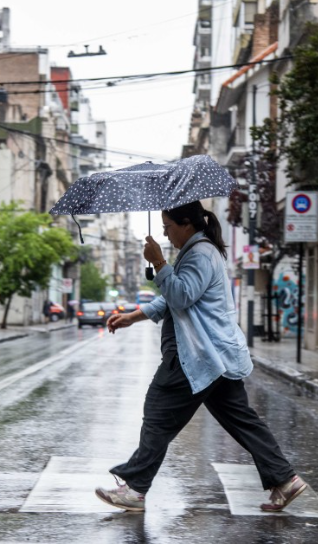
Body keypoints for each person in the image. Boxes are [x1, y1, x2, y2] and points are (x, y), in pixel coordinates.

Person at [94, 201, 306, 513]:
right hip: (214, 355)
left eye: (168, 227)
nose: (166, 234)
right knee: (242, 420)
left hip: (195, 354)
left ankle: (135, 488)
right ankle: (285, 480)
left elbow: (180, 295)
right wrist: (134, 315)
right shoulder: (196, 252)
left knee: (159, 413)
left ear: (186, 224)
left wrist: (160, 263)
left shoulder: (199, 253)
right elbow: (173, 300)